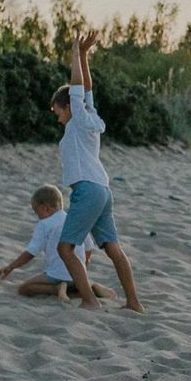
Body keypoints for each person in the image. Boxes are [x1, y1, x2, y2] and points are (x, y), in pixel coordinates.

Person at [48, 30, 144, 312]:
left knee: (65, 249)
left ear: (68, 107)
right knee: (112, 247)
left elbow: (78, 89)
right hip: (103, 190)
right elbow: (87, 92)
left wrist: (75, 53)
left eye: (58, 111)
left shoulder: (78, 120)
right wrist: (86, 56)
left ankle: (89, 300)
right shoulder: (90, 119)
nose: (58, 117)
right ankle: (134, 302)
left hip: (87, 191)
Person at [0, 184, 114, 302]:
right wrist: (84, 266)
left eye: (36, 211)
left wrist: (10, 267)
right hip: (78, 275)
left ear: (45, 208)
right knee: (76, 285)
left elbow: (31, 252)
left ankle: (57, 289)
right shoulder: (73, 220)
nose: (37, 215)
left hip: (56, 275)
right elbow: (89, 246)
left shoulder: (44, 224)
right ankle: (92, 289)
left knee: (24, 288)